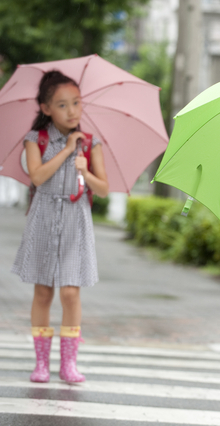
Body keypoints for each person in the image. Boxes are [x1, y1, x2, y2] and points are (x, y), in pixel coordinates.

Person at [12, 70, 109, 383]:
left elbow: (104, 189)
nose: (72, 111)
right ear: (46, 108)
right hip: (43, 218)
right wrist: (67, 150)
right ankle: (41, 363)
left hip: (75, 220)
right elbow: (37, 178)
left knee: (70, 292)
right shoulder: (35, 140)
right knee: (43, 292)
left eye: (77, 103)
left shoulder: (91, 143)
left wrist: (85, 168)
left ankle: (69, 363)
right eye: (63, 105)